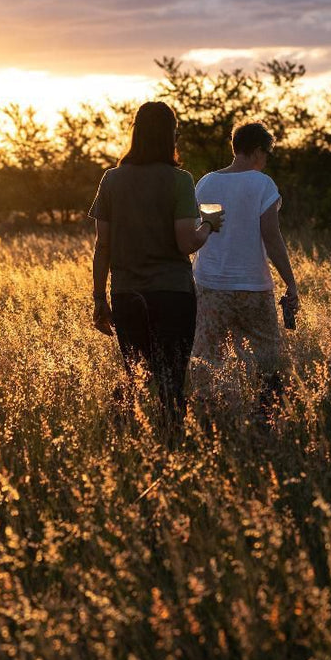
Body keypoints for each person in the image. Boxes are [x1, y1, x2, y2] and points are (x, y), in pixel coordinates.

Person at [89, 101, 219, 428]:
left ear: (136, 133)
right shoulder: (180, 180)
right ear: (170, 135)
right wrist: (209, 226)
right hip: (173, 294)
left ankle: (128, 444)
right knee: (171, 381)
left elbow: (102, 245)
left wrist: (99, 299)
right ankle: (171, 445)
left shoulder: (112, 180)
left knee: (136, 376)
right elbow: (186, 243)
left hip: (126, 294)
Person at [191, 121, 300, 417]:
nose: (265, 161)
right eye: (266, 154)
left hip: (210, 285)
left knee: (208, 359)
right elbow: (272, 236)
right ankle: (266, 420)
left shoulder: (206, 183)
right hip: (253, 286)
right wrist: (290, 282)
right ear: (255, 151)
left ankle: (211, 422)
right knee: (268, 361)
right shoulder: (262, 183)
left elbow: (199, 229)